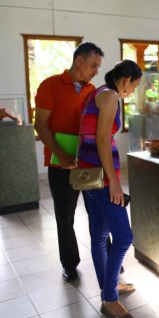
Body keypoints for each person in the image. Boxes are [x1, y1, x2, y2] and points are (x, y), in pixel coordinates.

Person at [78, 60, 142, 318]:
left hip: (88, 174)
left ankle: (110, 285)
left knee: (100, 235)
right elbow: (103, 139)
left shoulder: (98, 91)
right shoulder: (110, 96)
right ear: (125, 80)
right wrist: (114, 182)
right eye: (135, 85)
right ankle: (110, 298)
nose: (133, 91)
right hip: (102, 178)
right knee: (124, 237)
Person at [34, 42, 104, 282]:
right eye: (93, 65)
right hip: (59, 165)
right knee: (65, 217)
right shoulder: (50, 85)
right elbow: (40, 125)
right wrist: (62, 156)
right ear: (79, 61)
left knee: (98, 212)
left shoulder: (92, 90)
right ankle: (70, 264)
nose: (96, 71)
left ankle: (106, 257)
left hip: (87, 163)